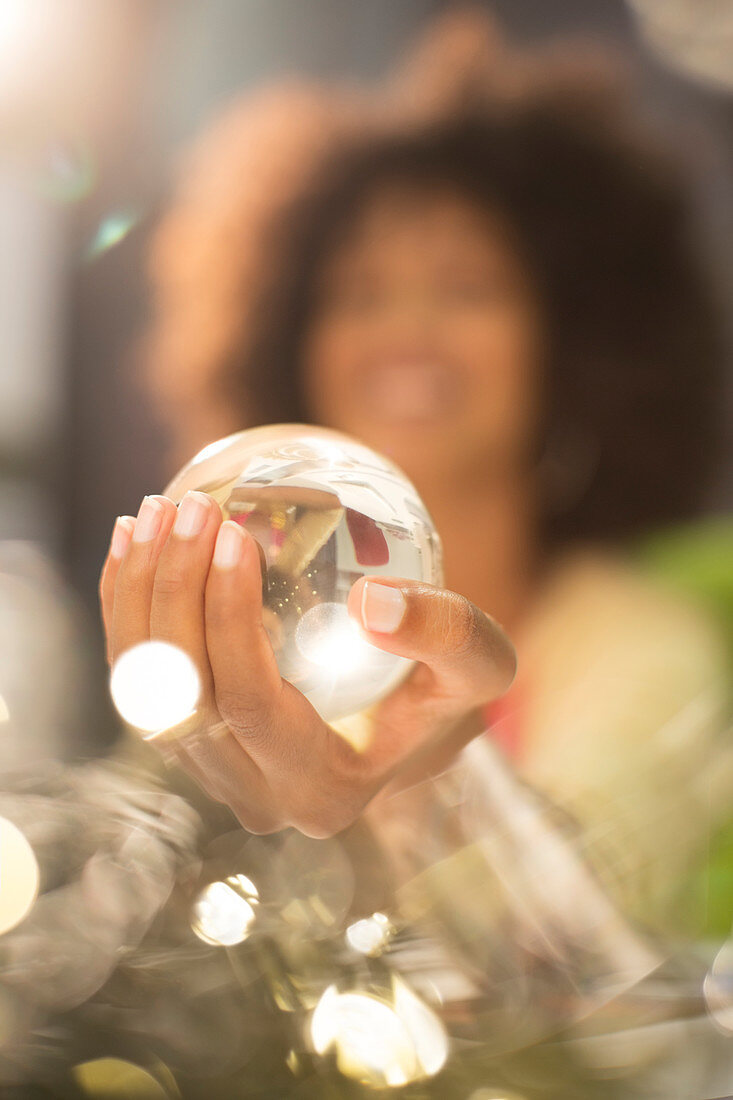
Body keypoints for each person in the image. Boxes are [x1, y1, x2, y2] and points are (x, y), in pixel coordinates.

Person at [118, 11, 730, 941]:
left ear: (571, 345)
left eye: (463, 287)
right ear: (291, 350)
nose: (404, 331)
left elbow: (582, 946)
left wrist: (399, 811)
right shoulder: (238, 643)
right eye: (359, 294)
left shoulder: (646, 645)